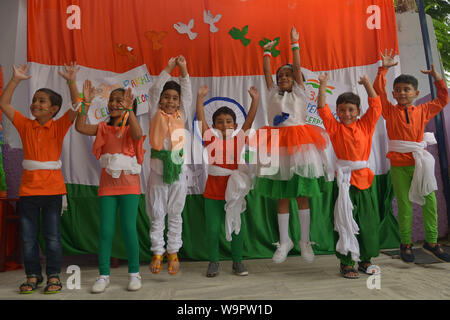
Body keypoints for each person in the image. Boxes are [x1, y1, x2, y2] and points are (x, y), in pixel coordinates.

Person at [253, 26, 332, 264]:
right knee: (282, 195)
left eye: (287, 75)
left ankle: (305, 241)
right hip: (277, 145)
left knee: (302, 195)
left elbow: (297, 68)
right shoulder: (272, 93)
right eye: (280, 76)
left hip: (300, 146)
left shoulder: (299, 92)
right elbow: (266, 73)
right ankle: (284, 240)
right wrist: (266, 53)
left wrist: (294, 43)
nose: (283, 78)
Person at [0, 63, 79, 293]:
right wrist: (15, 79)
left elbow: (77, 106)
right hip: (28, 193)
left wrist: (72, 81)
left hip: (53, 191)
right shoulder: (25, 125)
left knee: (52, 237)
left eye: (42, 101)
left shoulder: (59, 126)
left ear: (54, 109)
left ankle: (53, 275)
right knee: (27, 237)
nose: (35, 104)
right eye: (35, 100)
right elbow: (3, 103)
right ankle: (33, 275)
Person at [373, 49, 450, 263]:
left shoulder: (424, 110)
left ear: (416, 93)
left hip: (419, 164)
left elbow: (443, 99)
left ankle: (432, 242)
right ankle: (405, 244)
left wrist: (437, 79)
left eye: (407, 89)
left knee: (430, 202)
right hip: (399, 165)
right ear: (394, 94)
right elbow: (378, 91)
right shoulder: (389, 111)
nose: (402, 93)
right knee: (405, 206)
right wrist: (383, 69)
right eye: (398, 90)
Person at [76, 80, 145, 292]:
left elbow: (137, 135)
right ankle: (103, 275)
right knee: (105, 231)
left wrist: (129, 111)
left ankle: (134, 273)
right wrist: (85, 104)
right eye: (112, 100)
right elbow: (79, 126)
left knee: (128, 230)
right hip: (107, 188)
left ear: (129, 104)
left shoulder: (130, 127)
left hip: (130, 187)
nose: (114, 104)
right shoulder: (102, 128)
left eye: (120, 100)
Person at [317, 73, 382, 278]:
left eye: (351, 109)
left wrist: (368, 84)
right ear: (337, 111)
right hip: (344, 182)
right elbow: (321, 109)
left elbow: (376, 106)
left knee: (368, 222)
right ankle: (346, 263)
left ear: (358, 111)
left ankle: (365, 260)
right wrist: (323, 86)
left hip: (365, 181)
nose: (346, 113)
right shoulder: (335, 128)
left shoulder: (365, 125)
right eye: (342, 110)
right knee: (344, 220)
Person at [196, 85, 259, 277]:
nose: (224, 125)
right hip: (213, 191)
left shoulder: (239, 139)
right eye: (220, 122)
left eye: (229, 121)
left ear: (235, 125)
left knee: (237, 226)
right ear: (214, 126)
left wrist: (255, 100)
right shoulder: (209, 139)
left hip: (234, 191)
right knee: (213, 229)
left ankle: (237, 262)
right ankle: (213, 261)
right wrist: (200, 98)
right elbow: (201, 120)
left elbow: (249, 121)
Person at [146, 55, 192, 275]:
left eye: (175, 98)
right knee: (157, 212)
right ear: (160, 100)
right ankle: (157, 252)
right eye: (167, 97)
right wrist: (169, 67)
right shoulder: (155, 114)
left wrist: (184, 71)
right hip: (157, 169)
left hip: (178, 169)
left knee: (175, 212)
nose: (171, 101)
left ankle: (173, 252)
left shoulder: (182, 114)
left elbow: (188, 95)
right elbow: (154, 88)